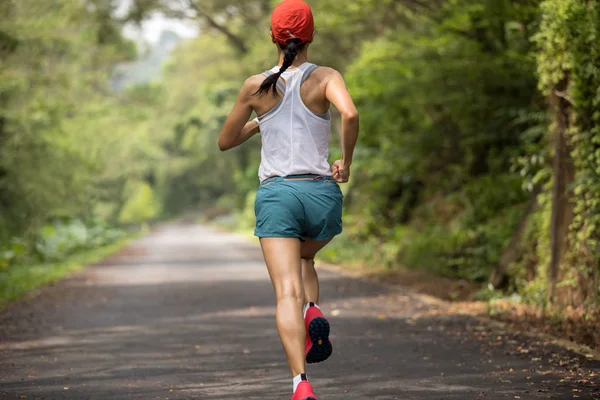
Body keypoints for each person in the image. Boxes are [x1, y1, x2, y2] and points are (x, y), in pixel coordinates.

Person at [218, 1, 359, 398]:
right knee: (303, 257)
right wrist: (344, 164)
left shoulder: (256, 86)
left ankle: (301, 384)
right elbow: (349, 114)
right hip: (323, 199)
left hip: (279, 196)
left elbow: (225, 142)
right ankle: (313, 308)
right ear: (311, 35)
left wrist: (260, 120)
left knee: (286, 293)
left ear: (273, 37)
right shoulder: (327, 77)